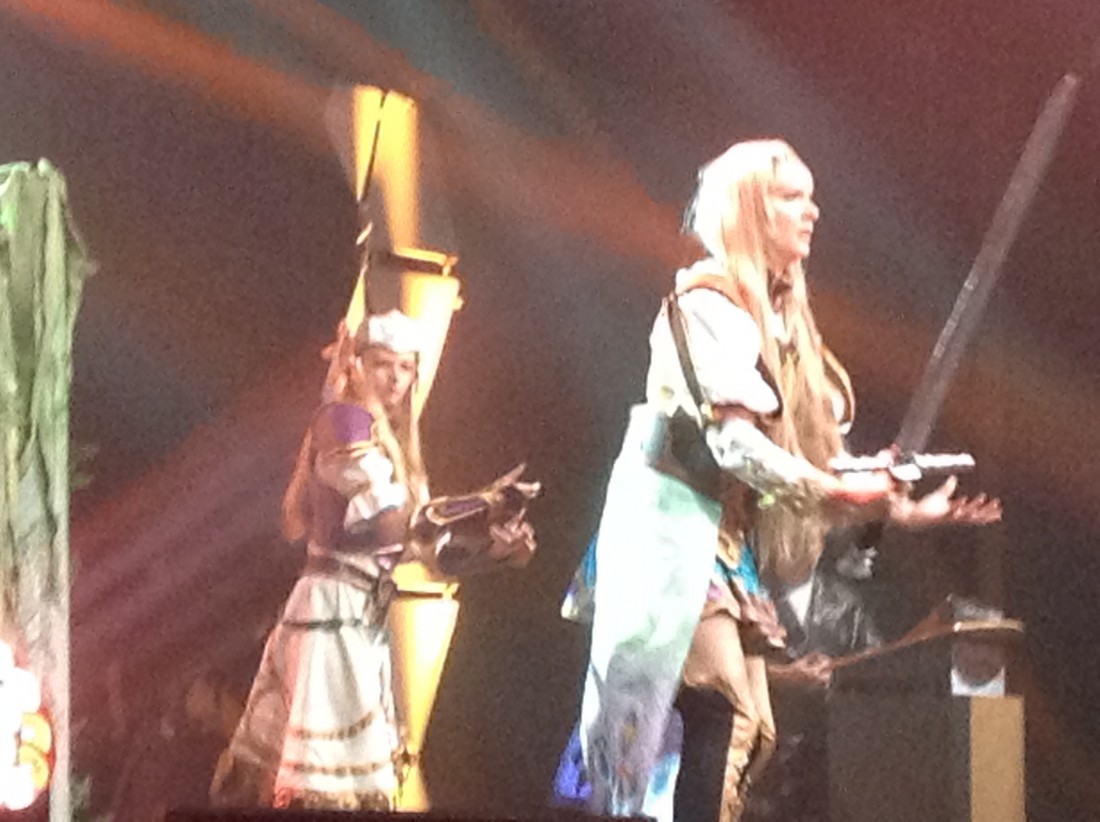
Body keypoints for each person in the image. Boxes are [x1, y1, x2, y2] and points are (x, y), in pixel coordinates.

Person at [570, 138, 999, 822]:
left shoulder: (780, 321)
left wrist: (889, 505)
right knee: (721, 713)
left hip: (720, 537)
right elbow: (736, 443)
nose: (812, 212)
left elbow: (804, 460)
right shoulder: (708, 303)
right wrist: (841, 492)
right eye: (791, 197)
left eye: (811, 196)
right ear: (748, 209)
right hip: (669, 530)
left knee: (752, 730)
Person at [210, 309, 535, 811]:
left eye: (405, 367)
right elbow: (394, 522)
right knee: (320, 791)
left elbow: (423, 552)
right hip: (330, 617)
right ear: (358, 364)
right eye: (383, 364)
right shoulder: (343, 420)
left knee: (358, 790)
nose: (395, 378)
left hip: (362, 624)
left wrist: (497, 549)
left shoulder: (394, 447)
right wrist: (484, 504)